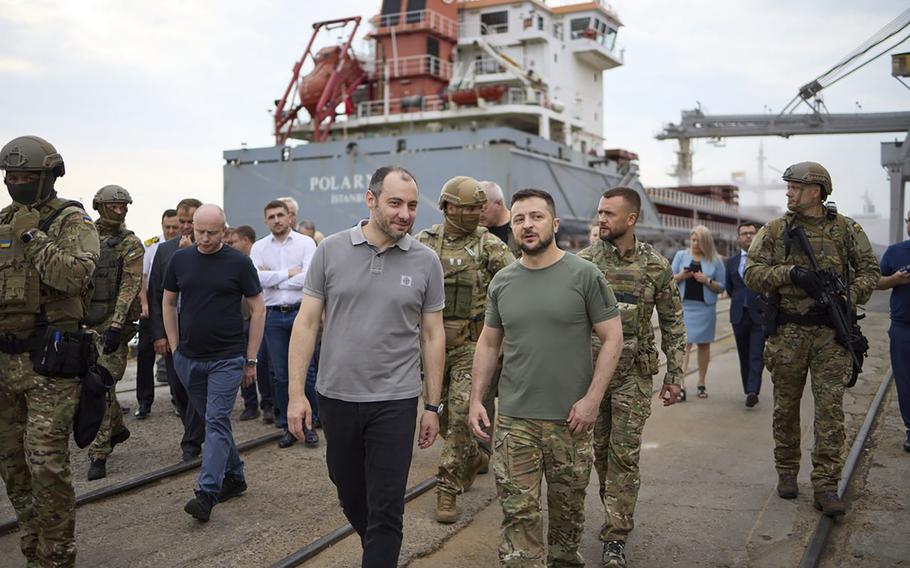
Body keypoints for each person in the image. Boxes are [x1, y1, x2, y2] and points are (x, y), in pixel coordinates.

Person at [287, 165, 445, 567]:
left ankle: (379, 552)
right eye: (395, 203)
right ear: (371, 199)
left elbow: (432, 335)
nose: (405, 214)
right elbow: (306, 324)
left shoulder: (426, 261)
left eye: (411, 205)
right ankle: (377, 546)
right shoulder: (330, 250)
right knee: (350, 492)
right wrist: (295, 395)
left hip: (396, 399)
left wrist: (432, 405)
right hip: (336, 396)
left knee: (387, 506)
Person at [468, 188, 624, 567]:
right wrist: (475, 399)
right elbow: (489, 344)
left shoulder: (585, 275)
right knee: (519, 523)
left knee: (566, 531)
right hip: (515, 422)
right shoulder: (502, 281)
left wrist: (591, 401)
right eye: (519, 219)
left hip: (570, 422)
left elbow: (613, 338)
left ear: (553, 224)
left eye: (536, 217)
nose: (527, 225)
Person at [745, 161, 879, 517]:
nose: (788, 192)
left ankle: (826, 485)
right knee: (785, 409)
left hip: (831, 335)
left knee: (830, 412)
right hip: (788, 333)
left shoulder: (846, 230)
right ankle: (787, 472)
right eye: (787, 186)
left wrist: (846, 296)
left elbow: (870, 270)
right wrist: (790, 273)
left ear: (816, 191)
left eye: (794, 186)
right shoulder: (775, 230)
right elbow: (752, 273)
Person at [0, 135, 100, 567]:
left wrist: (34, 236)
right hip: (5, 363)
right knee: (13, 466)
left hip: (49, 363)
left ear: (49, 177)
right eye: (11, 176)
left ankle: (57, 556)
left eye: (26, 177)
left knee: (46, 465)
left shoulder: (71, 221)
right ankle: (32, 545)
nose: (17, 183)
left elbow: (75, 276)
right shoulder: (3, 221)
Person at [577, 187, 685, 568]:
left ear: (631, 219)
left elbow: (672, 321)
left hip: (633, 378)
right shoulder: (584, 263)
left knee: (624, 456)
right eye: (599, 212)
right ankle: (614, 509)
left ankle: (616, 533)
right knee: (600, 454)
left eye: (608, 213)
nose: (600, 219)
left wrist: (676, 374)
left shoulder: (656, 265)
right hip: (589, 379)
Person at [415, 176, 514, 523]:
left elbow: (517, 282)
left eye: (479, 207)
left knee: (459, 417)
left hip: (471, 348)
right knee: (440, 419)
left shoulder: (489, 245)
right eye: (468, 207)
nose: (475, 213)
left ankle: (447, 488)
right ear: (448, 207)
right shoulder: (424, 243)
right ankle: (471, 456)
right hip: (432, 348)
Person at [163, 204, 266, 522]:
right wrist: (176, 347)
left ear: (225, 231)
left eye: (211, 233)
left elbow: (258, 308)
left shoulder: (239, 263)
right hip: (189, 359)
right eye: (199, 232)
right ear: (191, 228)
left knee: (217, 421)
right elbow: (168, 301)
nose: (204, 239)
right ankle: (235, 476)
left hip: (227, 359)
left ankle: (207, 493)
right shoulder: (180, 259)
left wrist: (251, 358)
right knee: (214, 422)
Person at [85, 185, 144, 481]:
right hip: (84, 324)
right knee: (93, 386)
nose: (119, 211)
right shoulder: (83, 238)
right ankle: (116, 428)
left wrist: (117, 324)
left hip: (113, 328)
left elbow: (129, 286)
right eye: (114, 206)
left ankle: (98, 453)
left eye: (124, 206)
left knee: (101, 385)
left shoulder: (130, 243)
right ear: (100, 206)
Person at [250, 199, 317, 447]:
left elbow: (309, 278)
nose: (277, 220)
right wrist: (289, 273)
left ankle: (310, 425)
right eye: (271, 216)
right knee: (280, 375)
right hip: (273, 315)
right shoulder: (258, 247)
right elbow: (255, 280)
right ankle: (286, 426)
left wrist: (273, 279)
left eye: (281, 215)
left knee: (307, 373)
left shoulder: (306, 243)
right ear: (266, 220)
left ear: (290, 217)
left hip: (301, 313)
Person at [148, 197, 207, 460]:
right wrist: (158, 334)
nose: (184, 227)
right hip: (172, 332)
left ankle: (191, 442)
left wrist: (191, 252)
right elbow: (155, 294)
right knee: (178, 387)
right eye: (181, 222)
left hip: (201, 331)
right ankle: (192, 431)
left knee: (198, 386)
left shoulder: (211, 249)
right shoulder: (164, 251)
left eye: (189, 222)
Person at [225, 224, 275, 424]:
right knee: (241, 362)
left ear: (246, 241)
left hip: (257, 318)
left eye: (233, 242)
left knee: (261, 363)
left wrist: (269, 274)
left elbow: (267, 281)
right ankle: (250, 404)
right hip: (239, 320)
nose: (230, 245)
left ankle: (268, 405)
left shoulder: (261, 255)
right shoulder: (230, 262)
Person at [671, 225, 726, 400]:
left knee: (703, 345)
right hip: (685, 307)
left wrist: (707, 280)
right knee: (684, 346)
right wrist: (681, 276)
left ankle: (701, 382)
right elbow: (669, 281)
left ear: (706, 242)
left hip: (705, 308)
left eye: (698, 240)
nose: (695, 243)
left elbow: (722, 287)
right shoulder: (681, 256)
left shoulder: (715, 260)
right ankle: (680, 385)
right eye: (693, 240)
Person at [135, 208, 179, 418]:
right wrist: (144, 304)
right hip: (152, 306)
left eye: (174, 227)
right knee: (144, 355)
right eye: (167, 227)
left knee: (173, 355)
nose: (171, 231)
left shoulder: (183, 245)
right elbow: (143, 279)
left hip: (171, 308)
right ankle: (144, 402)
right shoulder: (152, 245)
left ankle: (177, 398)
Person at [876, 210, 910, 452]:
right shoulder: (894, 252)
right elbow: (876, 282)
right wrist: (895, 279)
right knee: (906, 381)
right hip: (903, 327)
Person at [726, 222, 765, 408]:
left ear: (757, 236)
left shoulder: (764, 260)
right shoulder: (731, 262)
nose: (748, 236)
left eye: (751, 233)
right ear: (738, 238)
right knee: (744, 354)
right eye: (744, 234)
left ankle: (753, 390)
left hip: (759, 315)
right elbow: (730, 288)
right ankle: (747, 389)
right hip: (738, 315)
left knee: (757, 354)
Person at [479, 180, 521, 257]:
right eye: (474, 209)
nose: (478, 214)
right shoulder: (476, 232)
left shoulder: (520, 228)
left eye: (483, 209)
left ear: (498, 203)